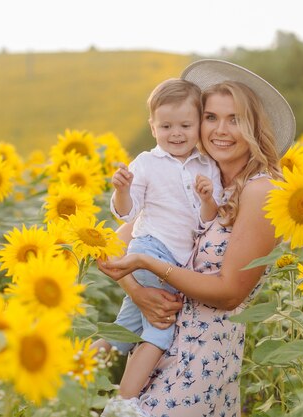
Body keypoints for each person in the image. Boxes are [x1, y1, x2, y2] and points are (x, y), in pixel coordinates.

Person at [98, 59, 295, 417]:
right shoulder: (187, 178)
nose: (221, 129)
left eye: (234, 119)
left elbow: (229, 293)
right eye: (211, 117)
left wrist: (146, 264)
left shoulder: (261, 191)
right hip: (157, 346)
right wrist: (139, 293)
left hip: (198, 364)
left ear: (253, 127)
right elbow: (113, 246)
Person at [93, 78, 223, 403]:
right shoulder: (146, 163)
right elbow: (127, 213)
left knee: (123, 329)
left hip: (170, 261)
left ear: (198, 126)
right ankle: (123, 404)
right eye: (166, 126)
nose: (176, 133)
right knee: (160, 331)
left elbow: (209, 220)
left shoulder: (207, 166)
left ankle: (68, 375)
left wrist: (208, 198)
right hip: (151, 251)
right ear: (152, 127)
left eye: (185, 125)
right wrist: (122, 191)